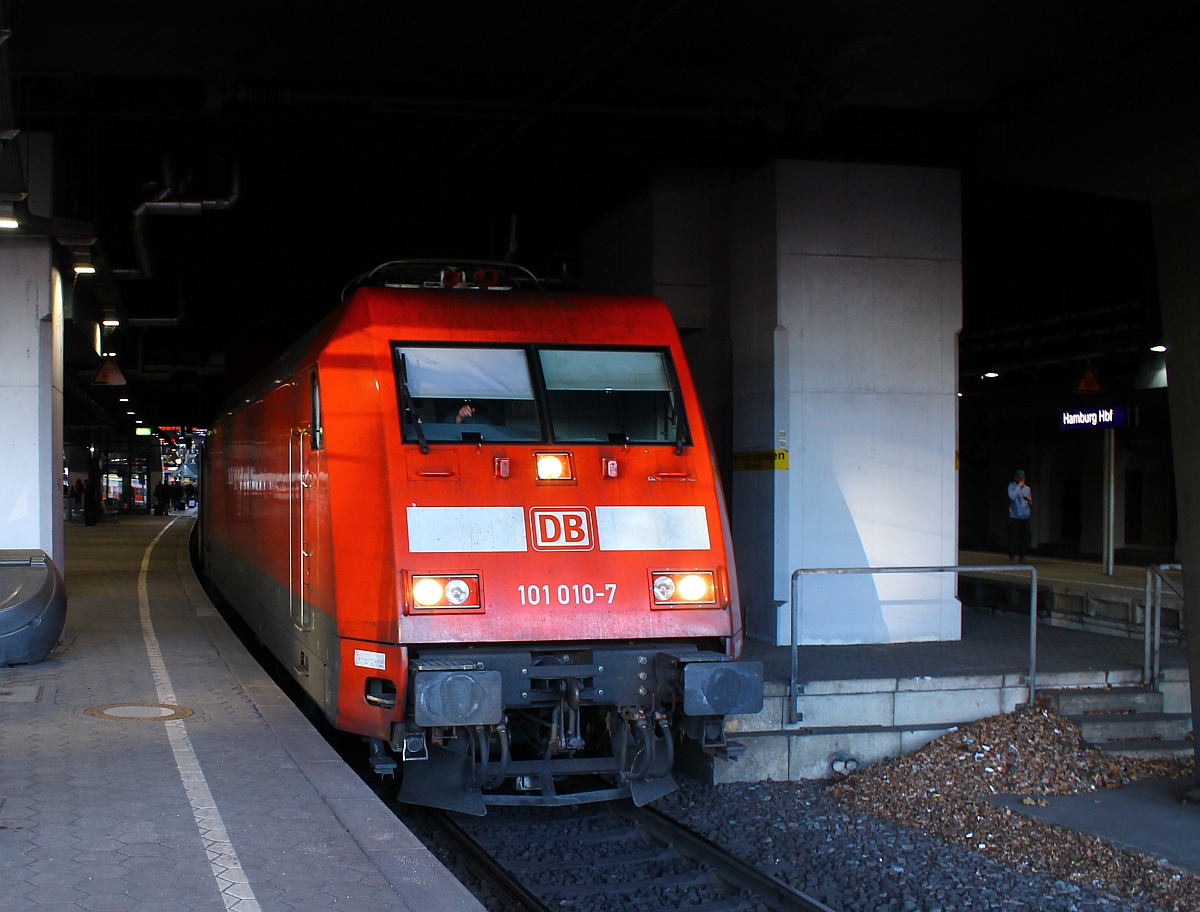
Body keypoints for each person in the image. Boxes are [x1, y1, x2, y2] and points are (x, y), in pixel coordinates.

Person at [1007, 469, 1032, 563]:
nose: (1022, 479)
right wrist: (1018, 487)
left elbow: (1029, 503)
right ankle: (1012, 556)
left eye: (1023, 477)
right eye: (1020, 478)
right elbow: (1012, 497)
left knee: (1023, 538)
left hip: (1025, 516)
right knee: (1013, 538)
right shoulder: (1012, 486)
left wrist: (1030, 501)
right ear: (1016, 478)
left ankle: (1022, 556)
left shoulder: (1027, 488)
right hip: (1014, 516)